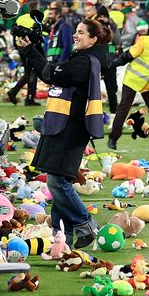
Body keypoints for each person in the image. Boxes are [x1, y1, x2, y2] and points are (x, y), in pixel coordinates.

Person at [17, 17, 108, 248]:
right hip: (65, 125)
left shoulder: (84, 62)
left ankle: (86, 224)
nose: (75, 35)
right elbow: (51, 72)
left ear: (93, 40)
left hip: (69, 128)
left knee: (57, 182)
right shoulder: (83, 59)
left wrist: (31, 50)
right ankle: (62, 237)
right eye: (76, 31)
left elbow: (50, 74)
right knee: (59, 180)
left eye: (81, 32)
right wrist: (33, 47)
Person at [108, 20, 149, 151]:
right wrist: (113, 64)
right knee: (124, 107)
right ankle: (113, 138)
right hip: (133, 79)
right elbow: (128, 55)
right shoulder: (144, 40)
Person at [7, 11, 43, 105]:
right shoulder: (35, 21)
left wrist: (17, 46)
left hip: (20, 47)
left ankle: (15, 92)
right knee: (32, 73)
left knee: (28, 73)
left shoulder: (21, 18)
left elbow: (14, 31)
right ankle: (28, 98)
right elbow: (36, 38)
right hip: (29, 47)